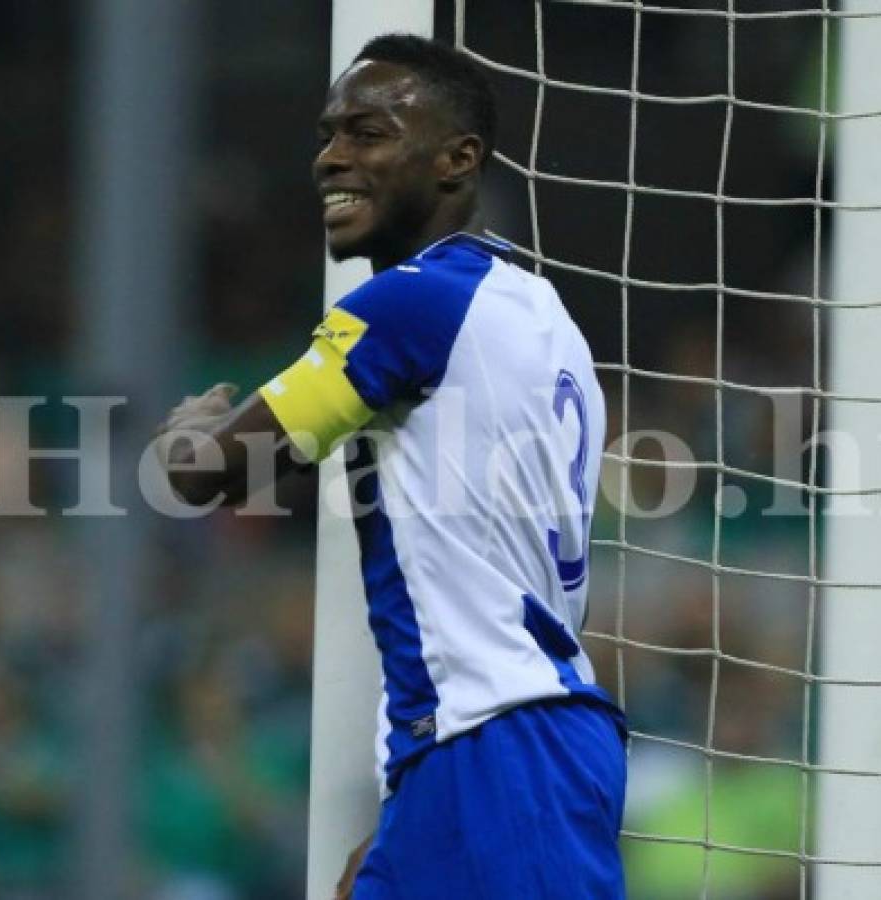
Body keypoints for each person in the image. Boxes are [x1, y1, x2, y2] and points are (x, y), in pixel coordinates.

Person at [158, 34, 628, 899]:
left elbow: (200, 476)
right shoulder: (541, 314)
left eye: (368, 133)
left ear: (457, 160)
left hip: (502, 755)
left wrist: (186, 429)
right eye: (328, 135)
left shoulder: (416, 302)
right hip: (486, 750)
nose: (331, 157)